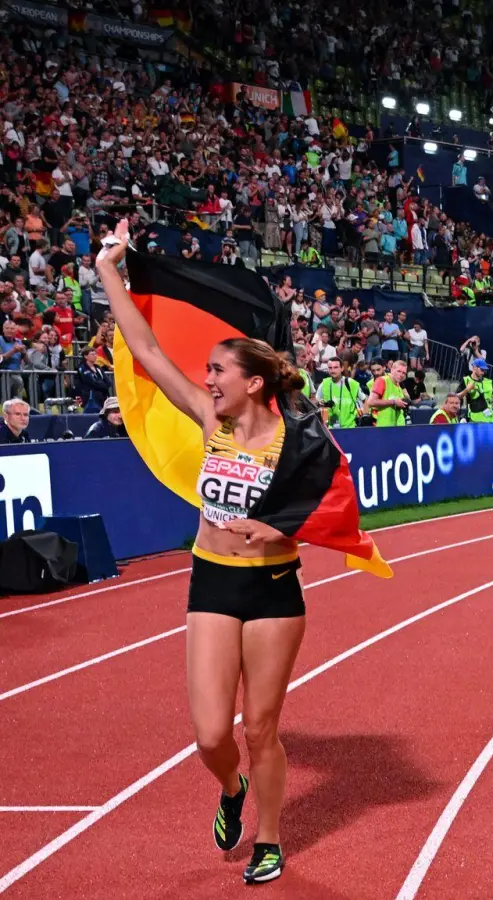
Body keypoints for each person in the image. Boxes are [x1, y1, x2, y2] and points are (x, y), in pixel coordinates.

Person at [96, 220, 311, 884]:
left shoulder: (300, 437)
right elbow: (146, 348)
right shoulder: (207, 415)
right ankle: (231, 788)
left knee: (261, 728)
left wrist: (278, 528)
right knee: (213, 736)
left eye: (219, 370)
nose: (208, 377)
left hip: (273, 590)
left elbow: (326, 510)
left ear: (254, 382)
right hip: (213, 583)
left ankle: (269, 838)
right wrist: (109, 270)